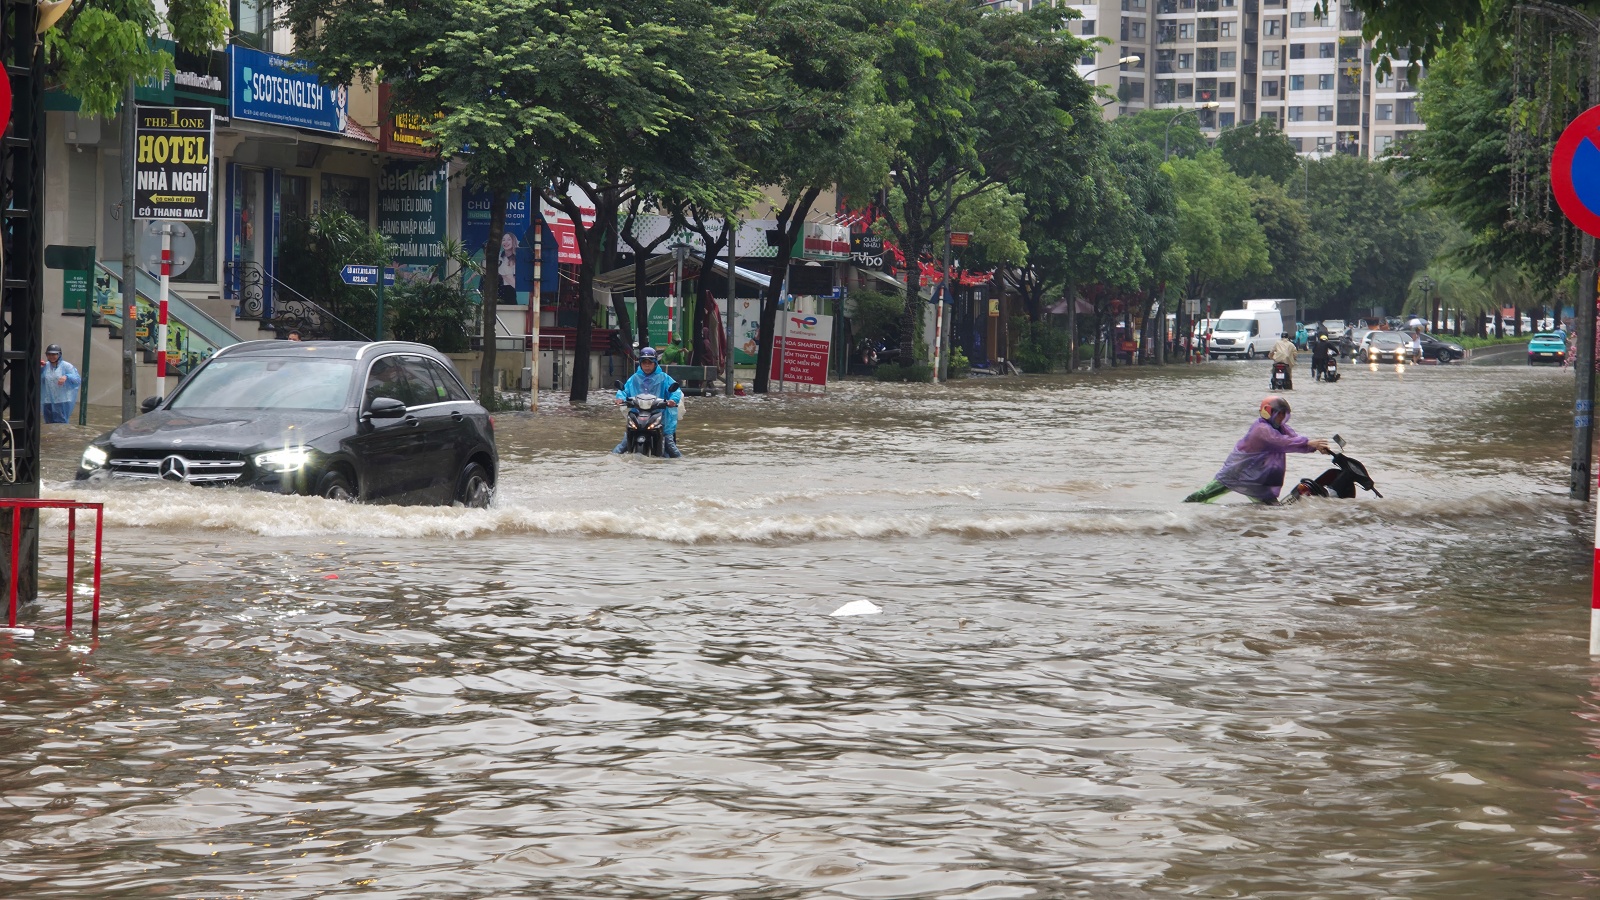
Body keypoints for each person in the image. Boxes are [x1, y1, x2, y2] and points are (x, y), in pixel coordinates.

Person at [1183, 396, 1331, 504]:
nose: (1281, 417)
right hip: (1238, 472)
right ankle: (1180, 511)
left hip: (1258, 478)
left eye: (1283, 414)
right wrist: (1309, 443)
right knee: (1203, 496)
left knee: (1271, 510)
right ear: (1269, 412)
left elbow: (1294, 439)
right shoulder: (1261, 429)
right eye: (1279, 413)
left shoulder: (1280, 428)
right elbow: (1283, 443)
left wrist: (1314, 447)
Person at [613, 347, 683, 458]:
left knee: (670, 445)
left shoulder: (664, 378)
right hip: (638, 415)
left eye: (650, 362)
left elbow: (676, 391)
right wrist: (620, 398)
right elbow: (623, 390)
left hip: (660, 416)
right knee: (623, 445)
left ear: (655, 363)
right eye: (644, 362)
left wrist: (672, 400)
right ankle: (611, 461)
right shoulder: (634, 378)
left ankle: (684, 465)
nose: (647, 365)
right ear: (640, 364)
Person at [41, 344, 82, 424]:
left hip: (62, 400)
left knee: (61, 424)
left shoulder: (66, 366)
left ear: (59, 354)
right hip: (47, 400)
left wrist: (67, 376)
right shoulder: (45, 366)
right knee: (48, 424)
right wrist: (39, 368)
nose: (51, 356)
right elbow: (38, 380)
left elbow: (77, 379)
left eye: (54, 354)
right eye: (49, 354)